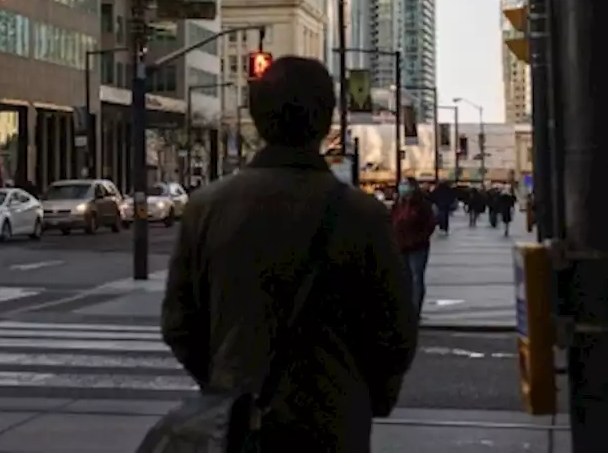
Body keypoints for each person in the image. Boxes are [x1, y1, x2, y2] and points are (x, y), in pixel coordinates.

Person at [161, 56, 418, 452]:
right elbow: (396, 330)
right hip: (333, 422)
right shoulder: (362, 215)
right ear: (326, 119)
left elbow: (179, 323)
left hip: (237, 422)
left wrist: (221, 383)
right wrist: (366, 397)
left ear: (258, 117)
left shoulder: (207, 207)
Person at [391, 176, 437, 315]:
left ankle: (415, 310)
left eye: (405, 184)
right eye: (401, 184)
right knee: (404, 277)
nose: (402, 187)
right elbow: (392, 220)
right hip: (401, 245)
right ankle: (405, 308)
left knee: (417, 277)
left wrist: (421, 237)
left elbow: (430, 223)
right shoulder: (398, 203)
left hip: (418, 246)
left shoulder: (422, 204)